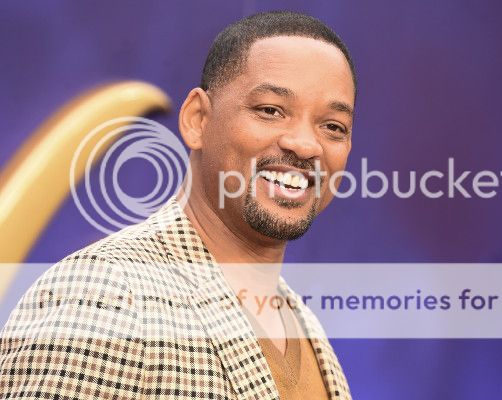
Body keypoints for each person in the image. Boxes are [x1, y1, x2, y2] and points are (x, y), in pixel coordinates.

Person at [0, 10, 355, 399]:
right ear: (197, 119)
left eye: (333, 127)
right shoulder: (101, 297)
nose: (305, 145)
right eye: (270, 110)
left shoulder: (306, 327)